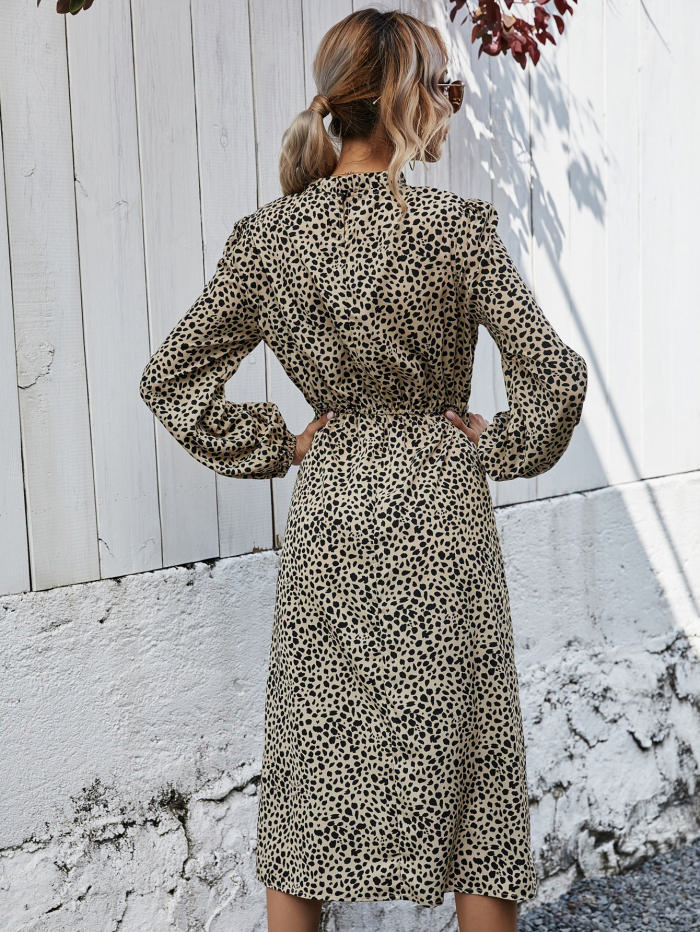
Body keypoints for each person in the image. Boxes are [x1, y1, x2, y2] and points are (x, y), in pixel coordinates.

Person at [139, 8, 588, 931]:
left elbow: (170, 378)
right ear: (402, 100)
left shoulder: (268, 241)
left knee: (311, 759)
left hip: (332, 519)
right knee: (473, 767)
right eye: (446, 87)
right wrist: (494, 443)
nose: (452, 104)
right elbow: (555, 375)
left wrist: (284, 445)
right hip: (440, 517)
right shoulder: (458, 231)